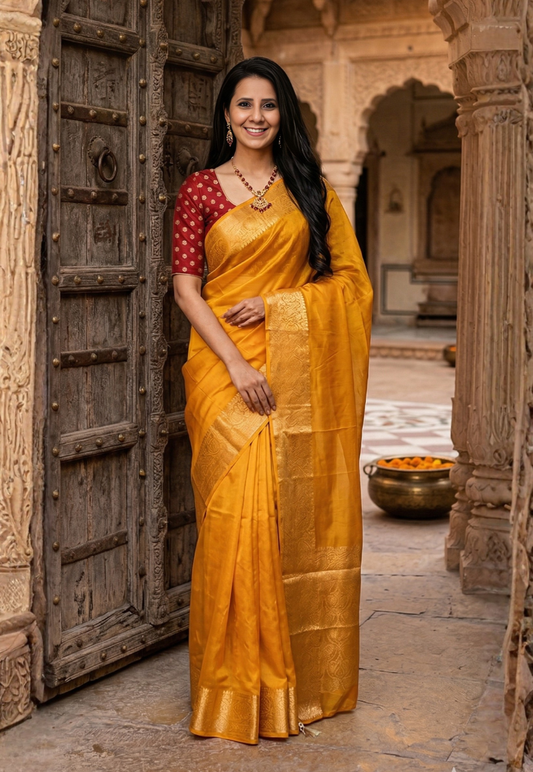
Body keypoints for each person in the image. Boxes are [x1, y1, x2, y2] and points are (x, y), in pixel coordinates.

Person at [172, 56, 372, 745]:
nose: (255, 117)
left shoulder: (309, 189)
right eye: (242, 105)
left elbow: (351, 285)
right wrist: (232, 361)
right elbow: (185, 289)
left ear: (282, 113)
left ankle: (289, 681)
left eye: (268, 105)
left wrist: (281, 306)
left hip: (288, 364)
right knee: (231, 519)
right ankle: (229, 691)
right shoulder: (199, 189)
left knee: (283, 517)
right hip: (221, 371)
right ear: (225, 115)